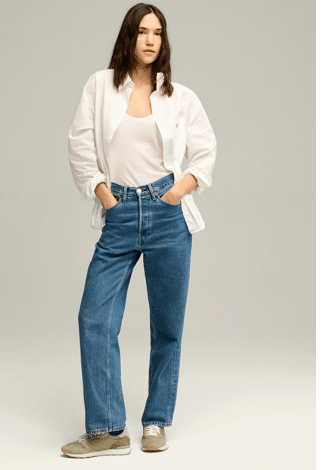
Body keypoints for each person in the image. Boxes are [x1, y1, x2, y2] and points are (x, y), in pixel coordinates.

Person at [61, 3, 217, 458]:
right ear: (128, 37)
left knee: (167, 325)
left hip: (168, 214)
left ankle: (155, 421)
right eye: (142, 31)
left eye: (158, 32)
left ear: (163, 40)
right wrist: (104, 195)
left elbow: (205, 151)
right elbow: (79, 145)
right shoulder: (100, 86)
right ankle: (108, 429)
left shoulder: (181, 97)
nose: (150, 40)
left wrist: (178, 190)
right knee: (94, 318)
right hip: (121, 211)